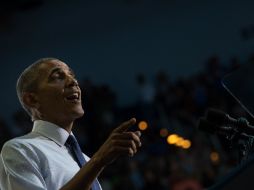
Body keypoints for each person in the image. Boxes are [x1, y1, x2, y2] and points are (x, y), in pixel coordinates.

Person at [0, 58, 142, 190]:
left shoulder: (85, 160)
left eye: (72, 76)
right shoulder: (20, 150)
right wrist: (98, 161)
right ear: (32, 99)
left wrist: (96, 162)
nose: (73, 82)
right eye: (57, 77)